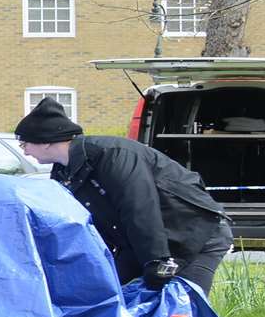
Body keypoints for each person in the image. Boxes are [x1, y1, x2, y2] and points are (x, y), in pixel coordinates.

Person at [14, 96, 234, 294]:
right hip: (144, 241)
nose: (24, 151)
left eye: (25, 143)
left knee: (183, 306)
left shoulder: (114, 156)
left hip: (197, 232)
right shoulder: (64, 173)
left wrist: (156, 261)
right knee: (108, 293)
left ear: (45, 141)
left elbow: (139, 206)